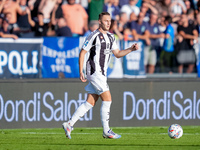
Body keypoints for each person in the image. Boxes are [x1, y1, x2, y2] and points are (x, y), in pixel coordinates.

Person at [62, 12, 139, 139]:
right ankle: (106, 130)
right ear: (99, 21)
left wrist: (130, 49)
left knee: (90, 102)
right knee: (107, 99)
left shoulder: (111, 36)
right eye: (105, 21)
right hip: (94, 71)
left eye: (110, 21)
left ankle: (69, 124)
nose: (108, 23)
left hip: (102, 74)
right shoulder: (94, 36)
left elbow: (118, 54)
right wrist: (81, 71)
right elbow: (82, 53)